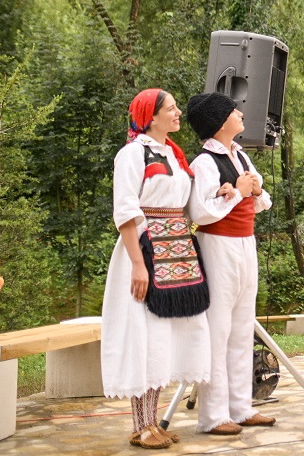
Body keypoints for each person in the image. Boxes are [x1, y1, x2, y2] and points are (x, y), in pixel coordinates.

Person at [101, 89, 210, 449]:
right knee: (143, 337)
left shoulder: (173, 157)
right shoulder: (133, 154)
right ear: (150, 116)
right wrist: (137, 264)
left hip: (176, 251)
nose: (179, 112)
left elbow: (185, 204)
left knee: (163, 340)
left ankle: (153, 421)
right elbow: (126, 211)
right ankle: (140, 425)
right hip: (146, 252)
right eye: (171, 108)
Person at [185, 92, 275, 435]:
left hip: (245, 243)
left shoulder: (239, 156)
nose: (240, 114)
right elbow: (201, 212)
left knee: (241, 328)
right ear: (220, 121)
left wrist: (245, 189)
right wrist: (238, 191)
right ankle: (213, 416)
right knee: (218, 331)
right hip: (218, 244)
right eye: (233, 111)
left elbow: (262, 200)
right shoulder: (204, 162)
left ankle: (240, 407)